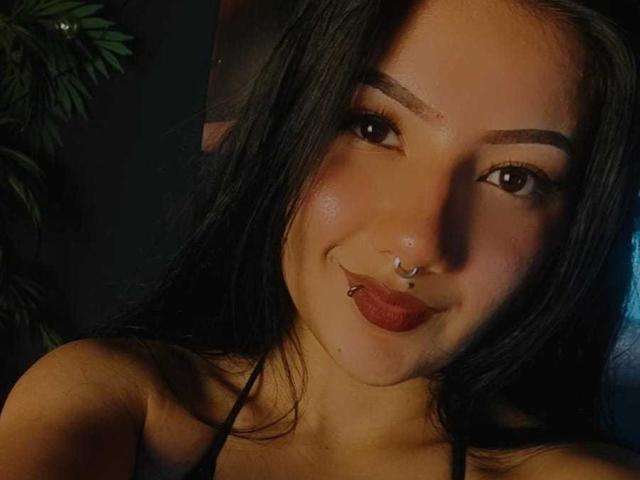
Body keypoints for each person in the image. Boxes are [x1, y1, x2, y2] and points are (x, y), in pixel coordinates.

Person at [1, 0, 640, 478]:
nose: (417, 245)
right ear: (291, 127)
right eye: (373, 128)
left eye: (513, 178)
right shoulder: (114, 406)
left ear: (570, 230)